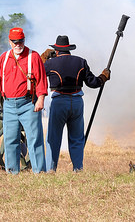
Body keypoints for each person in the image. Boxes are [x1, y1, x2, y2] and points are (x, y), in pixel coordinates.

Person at [41, 35, 110, 172]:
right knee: (77, 139)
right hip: (77, 102)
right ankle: (78, 169)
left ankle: (50, 170)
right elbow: (93, 83)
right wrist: (103, 77)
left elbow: (37, 71)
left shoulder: (50, 63)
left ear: (57, 50)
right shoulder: (81, 62)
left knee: (54, 138)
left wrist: (44, 57)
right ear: (69, 49)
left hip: (59, 101)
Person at [0, 27, 48, 174]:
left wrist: (40, 99)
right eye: (14, 42)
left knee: (35, 139)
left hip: (28, 103)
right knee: (10, 140)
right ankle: (12, 172)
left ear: (24, 40)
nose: (18, 45)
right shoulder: (4, 58)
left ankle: (39, 172)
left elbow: (41, 80)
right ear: (9, 42)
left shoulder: (33, 57)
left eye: (20, 41)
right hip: (8, 104)